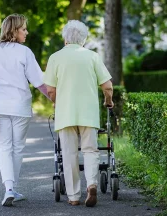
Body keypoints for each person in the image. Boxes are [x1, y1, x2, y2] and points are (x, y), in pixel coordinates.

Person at [0, 14, 49, 207]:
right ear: (14, 31)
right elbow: (40, 83)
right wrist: (55, 99)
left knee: (4, 148)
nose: (26, 32)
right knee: (18, 149)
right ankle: (12, 189)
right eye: (23, 29)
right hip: (20, 107)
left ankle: (9, 189)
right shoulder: (25, 52)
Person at [43, 20, 114, 207]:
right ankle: (91, 184)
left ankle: (74, 196)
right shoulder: (92, 57)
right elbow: (107, 86)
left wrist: (57, 102)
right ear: (84, 39)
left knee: (69, 153)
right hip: (88, 113)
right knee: (91, 150)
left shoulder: (55, 57)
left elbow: (50, 90)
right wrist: (109, 101)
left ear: (65, 37)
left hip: (65, 113)